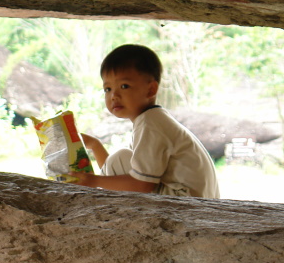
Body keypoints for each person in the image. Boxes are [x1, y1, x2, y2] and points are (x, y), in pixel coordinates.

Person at [71, 44, 220, 198]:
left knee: (120, 157)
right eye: (107, 89)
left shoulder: (151, 124)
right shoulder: (152, 119)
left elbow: (141, 185)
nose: (114, 95)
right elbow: (116, 176)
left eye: (124, 86)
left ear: (151, 89)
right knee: (120, 159)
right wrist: (95, 146)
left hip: (187, 204)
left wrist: (94, 181)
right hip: (189, 199)